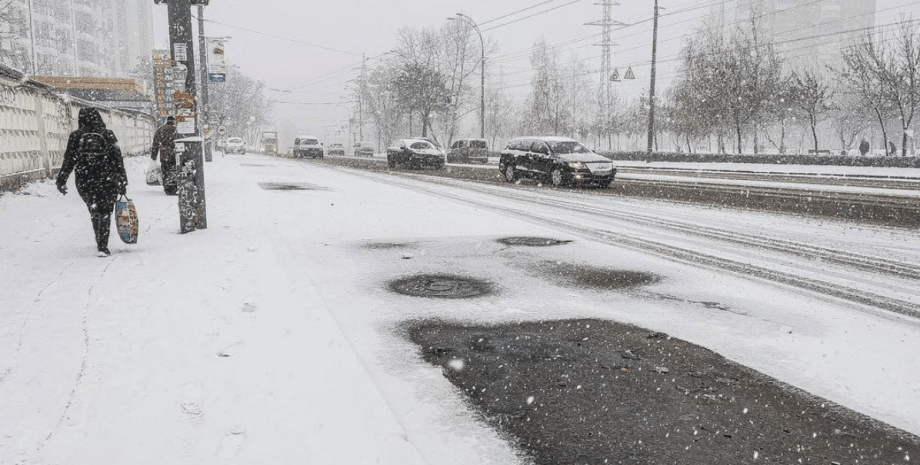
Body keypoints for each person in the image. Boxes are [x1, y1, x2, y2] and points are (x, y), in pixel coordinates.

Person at [55, 107, 128, 257]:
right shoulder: (108, 134)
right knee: (106, 210)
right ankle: (103, 245)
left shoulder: (76, 136)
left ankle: (98, 239)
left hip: (85, 179)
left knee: (94, 209)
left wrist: (61, 180)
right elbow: (117, 159)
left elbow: (69, 159)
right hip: (107, 178)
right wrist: (122, 180)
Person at [151, 116, 178, 195]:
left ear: (167, 121)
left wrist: (154, 155)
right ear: (173, 121)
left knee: (165, 171)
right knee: (174, 170)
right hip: (175, 154)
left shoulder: (160, 130)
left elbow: (155, 144)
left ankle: (167, 187)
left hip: (164, 155)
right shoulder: (176, 129)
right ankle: (174, 185)